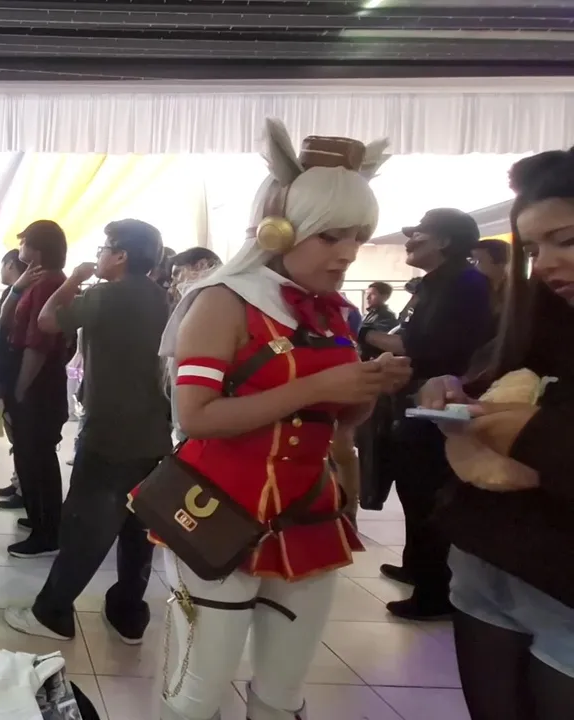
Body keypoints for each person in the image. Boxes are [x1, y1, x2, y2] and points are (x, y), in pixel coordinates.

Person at [151, 121, 411, 720]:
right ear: (279, 229)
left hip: (308, 512)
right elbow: (195, 417)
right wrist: (319, 385)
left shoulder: (333, 312)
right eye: (330, 236)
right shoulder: (222, 301)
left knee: (283, 695)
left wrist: (368, 389)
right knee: (196, 695)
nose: (348, 252)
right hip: (215, 511)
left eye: (357, 236)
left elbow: (339, 423)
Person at [421, 147, 574, 719]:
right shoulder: (542, 312)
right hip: (489, 559)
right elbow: (491, 383)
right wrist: (449, 390)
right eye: (533, 249)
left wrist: (533, 434)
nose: (548, 264)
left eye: (567, 240)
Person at [6, 219, 172, 644]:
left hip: (110, 430)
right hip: (153, 431)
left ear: (121, 256)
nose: (98, 255)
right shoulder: (159, 296)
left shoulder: (106, 294)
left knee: (85, 525)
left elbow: (46, 321)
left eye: (104, 248)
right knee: (137, 529)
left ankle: (52, 612)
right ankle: (128, 614)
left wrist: (74, 279)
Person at [362, 207, 494, 620]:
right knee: (412, 490)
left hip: (441, 407)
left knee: (430, 495)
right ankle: (417, 567)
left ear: (445, 241)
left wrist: (367, 336)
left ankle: (435, 591)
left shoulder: (465, 284)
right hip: (416, 403)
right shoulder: (433, 284)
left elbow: (428, 346)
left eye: (419, 233)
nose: (410, 240)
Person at [0, 220, 74, 558]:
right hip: (34, 377)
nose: (20, 248)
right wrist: (18, 287)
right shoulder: (36, 280)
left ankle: (47, 531)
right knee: (31, 454)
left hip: (38, 381)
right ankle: (40, 518)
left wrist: (20, 389)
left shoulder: (50, 284)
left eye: (25, 242)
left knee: (36, 456)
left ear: (38, 248)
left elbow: (38, 344)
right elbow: (4, 321)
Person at [356, 281, 402, 511]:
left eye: (372, 294)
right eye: (368, 294)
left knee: (373, 442)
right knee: (364, 441)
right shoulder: (370, 316)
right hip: (366, 378)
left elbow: (389, 346)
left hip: (378, 382)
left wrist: (362, 334)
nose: (368, 298)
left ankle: (370, 496)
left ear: (384, 296)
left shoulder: (385, 319)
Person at [0, 249, 28, 508]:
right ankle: (18, 482)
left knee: (21, 436)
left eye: (3, 265)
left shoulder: (20, 295)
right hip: (6, 374)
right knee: (15, 435)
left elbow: (3, 334)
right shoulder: (13, 293)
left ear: (11, 265)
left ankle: (24, 490)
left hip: (14, 376)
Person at [472, 238, 511, 320]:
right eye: (472, 261)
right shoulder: (474, 291)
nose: (473, 266)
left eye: (477, 261)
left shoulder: (517, 292)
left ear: (501, 264)